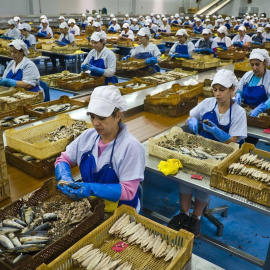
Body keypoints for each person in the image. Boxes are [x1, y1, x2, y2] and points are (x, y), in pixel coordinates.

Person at [168, 69, 247, 236]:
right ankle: (184, 214)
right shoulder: (207, 103)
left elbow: (235, 140)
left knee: (204, 183)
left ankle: (196, 217)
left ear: (232, 89)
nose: (217, 94)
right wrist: (192, 121)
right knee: (186, 177)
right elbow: (191, 116)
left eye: (222, 90)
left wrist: (220, 134)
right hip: (199, 149)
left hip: (221, 155)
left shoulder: (238, 112)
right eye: (215, 89)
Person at [55, 85, 145, 213]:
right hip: (93, 209)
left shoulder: (131, 147)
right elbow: (63, 159)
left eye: (102, 118)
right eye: (92, 116)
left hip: (122, 214)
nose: (95, 123)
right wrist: (64, 177)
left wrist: (91, 189)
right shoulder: (87, 137)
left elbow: (128, 191)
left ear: (117, 116)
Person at [235, 49, 270, 117]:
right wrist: (238, 95)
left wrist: (260, 108)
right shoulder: (247, 76)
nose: (254, 68)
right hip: (247, 112)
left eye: (257, 64)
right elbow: (240, 90)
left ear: (265, 62)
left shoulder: (268, 78)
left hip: (263, 115)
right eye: (252, 65)